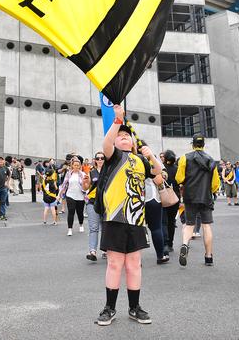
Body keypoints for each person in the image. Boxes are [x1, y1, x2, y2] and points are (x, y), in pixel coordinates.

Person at [94, 105, 159, 326]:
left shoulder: (140, 160)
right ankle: (109, 308)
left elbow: (158, 174)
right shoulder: (113, 156)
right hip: (114, 217)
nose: (123, 139)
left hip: (137, 220)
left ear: (132, 142)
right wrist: (117, 121)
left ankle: (135, 307)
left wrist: (152, 156)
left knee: (134, 264)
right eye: (120, 137)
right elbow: (105, 144)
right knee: (114, 263)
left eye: (126, 137)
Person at [176, 134, 220, 267]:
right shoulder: (211, 160)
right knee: (206, 225)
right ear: (203, 145)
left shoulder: (185, 158)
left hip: (190, 196)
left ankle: (185, 245)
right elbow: (215, 184)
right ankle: (208, 256)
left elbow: (179, 178)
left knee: (189, 225)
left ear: (193, 144)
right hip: (205, 196)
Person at [59, 157, 87, 236]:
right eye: (75, 165)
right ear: (72, 166)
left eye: (78, 165)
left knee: (80, 212)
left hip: (80, 196)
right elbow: (64, 184)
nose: (76, 167)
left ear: (80, 166)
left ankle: (81, 224)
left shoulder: (83, 174)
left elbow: (86, 185)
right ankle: (70, 229)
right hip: (70, 195)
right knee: (71, 211)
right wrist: (59, 195)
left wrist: (86, 193)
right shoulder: (69, 174)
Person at [85, 151, 105, 261]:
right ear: (95, 160)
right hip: (92, 202)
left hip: (106, 204)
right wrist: (85, 183)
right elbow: (86, 187)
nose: (100, 160)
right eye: (98, 158)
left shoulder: (109, 171)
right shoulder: (91, 173)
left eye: (102, 158)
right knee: (94, 228)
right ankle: (92, 251)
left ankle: (105, 250)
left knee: (105, 228)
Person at [161, 150, 180, 253]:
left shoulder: (161, 168)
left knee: (164, 221)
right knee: (171, 222)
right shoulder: (177, 169)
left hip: (163, 197)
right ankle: (170, 244)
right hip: (175, 198)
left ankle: (164, 243)